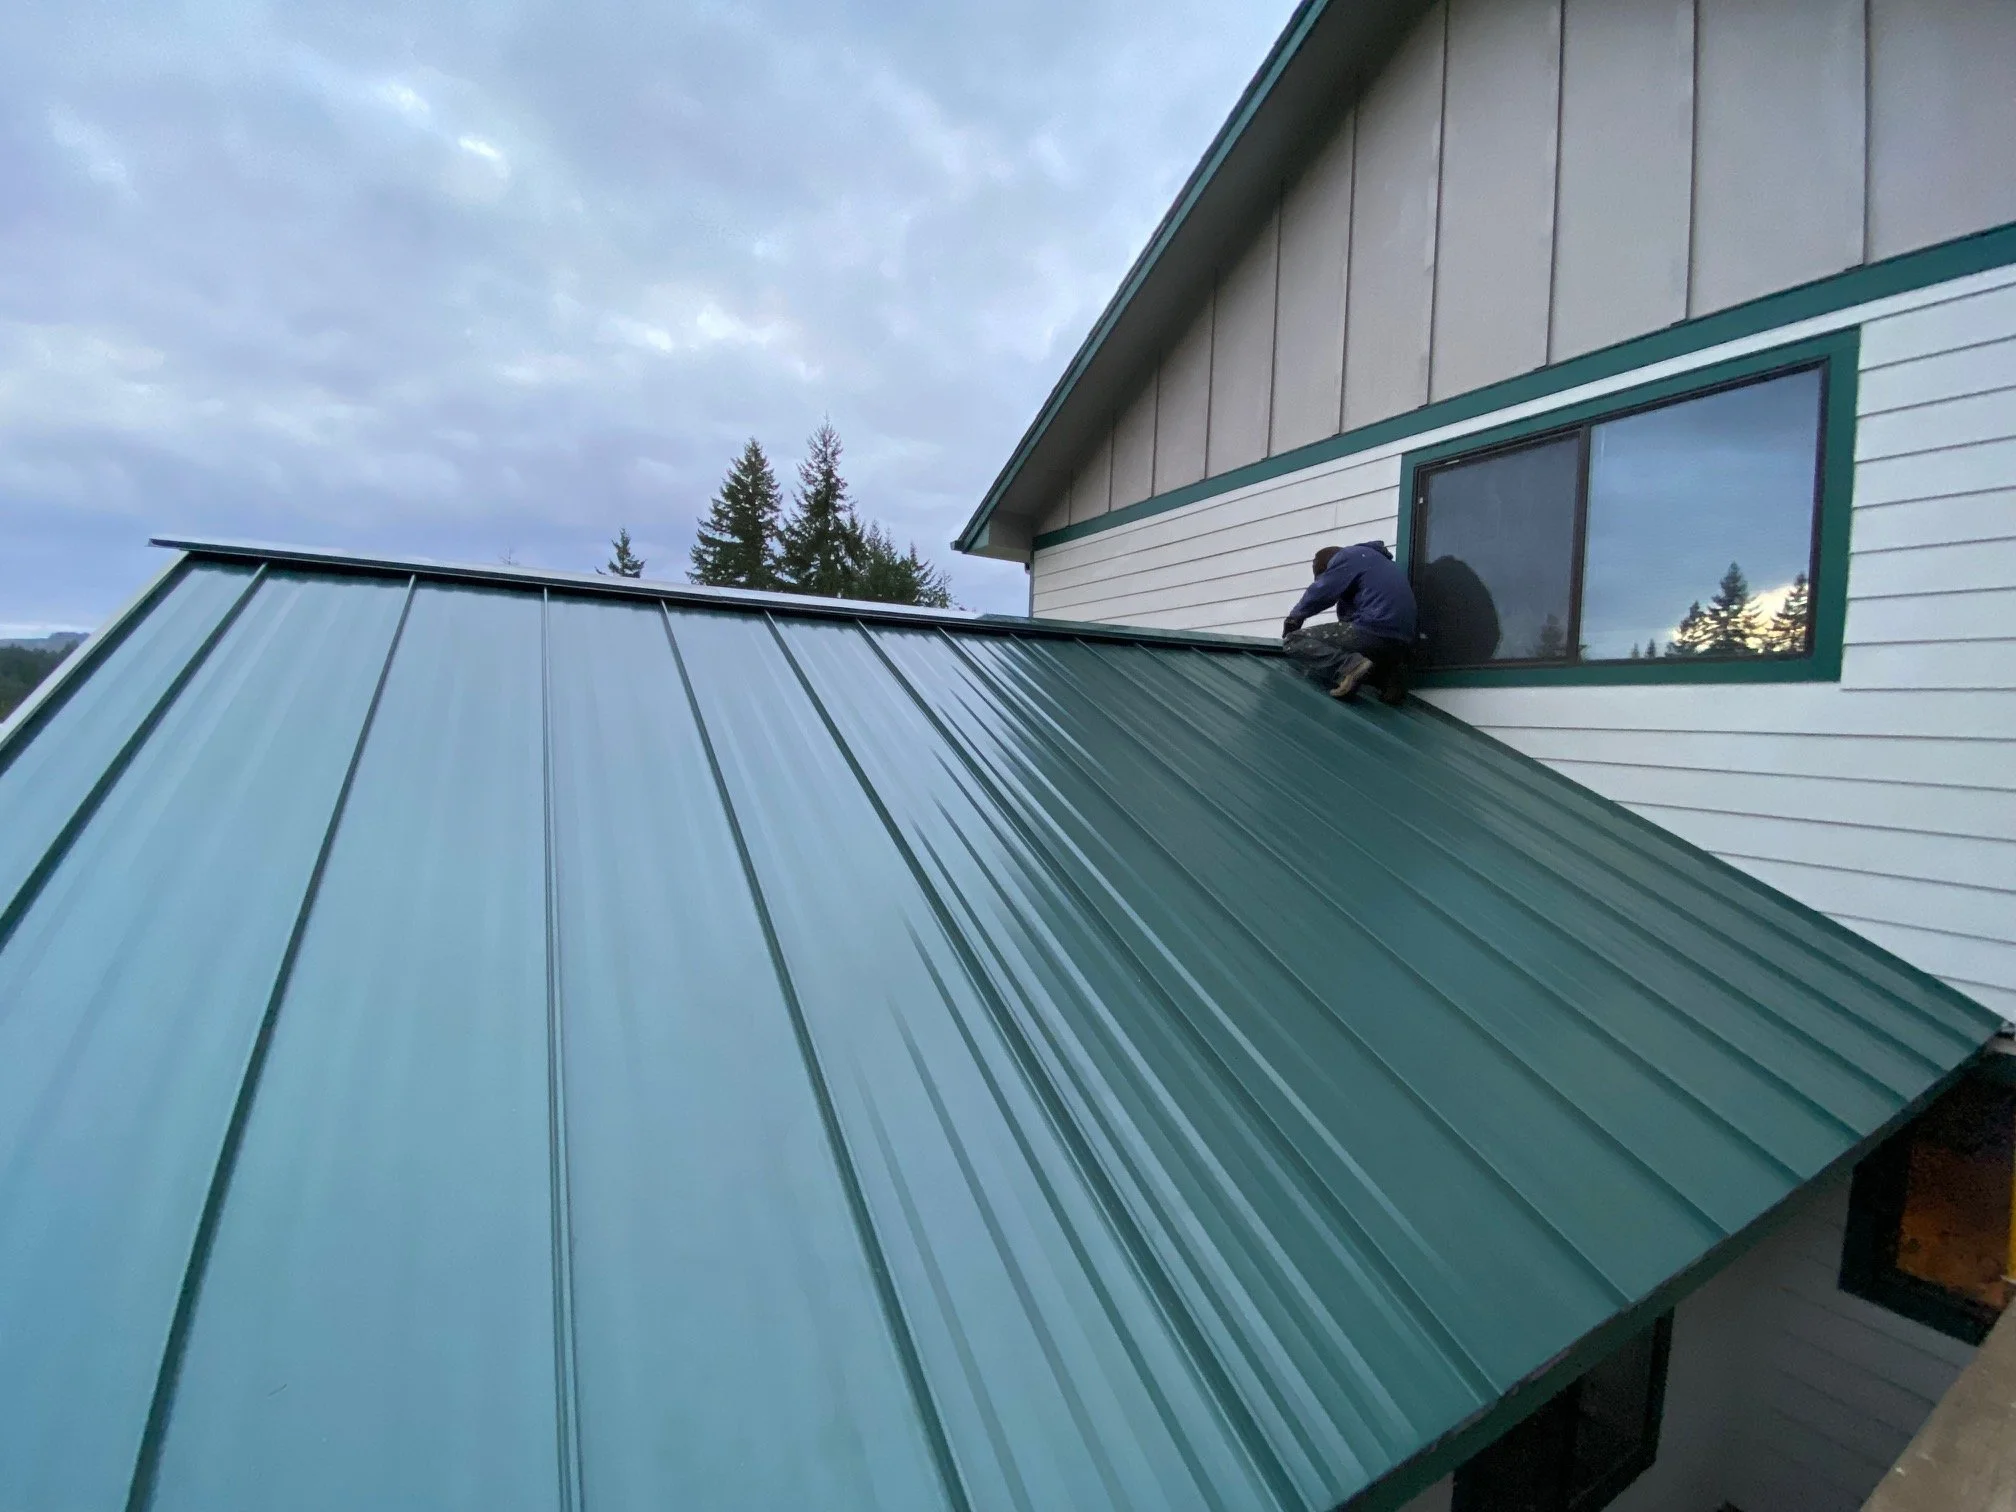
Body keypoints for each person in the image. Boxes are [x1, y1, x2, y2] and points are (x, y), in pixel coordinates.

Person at [1281, 540, 1417, 703]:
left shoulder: (1347, 556)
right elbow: (1347, 618)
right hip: (1401, 641)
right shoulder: (1379, 563)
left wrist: (1294, 619)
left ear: (1328, 567)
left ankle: (1349, 667)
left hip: (1374, 628)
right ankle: (1388, 679)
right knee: (1366, 660)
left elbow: (1321, 592)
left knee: (1294, 641)